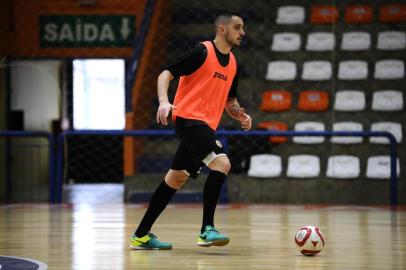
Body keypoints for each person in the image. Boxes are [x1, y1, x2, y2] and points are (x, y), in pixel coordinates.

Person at [130, 10, 252, 250]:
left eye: (243, 28)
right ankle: (207, 230)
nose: (242, 32)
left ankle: (141, 235)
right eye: (237, 27)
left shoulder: (234, 64)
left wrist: (241, 115)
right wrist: (164, 102)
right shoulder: (202, 52)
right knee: (222, 163)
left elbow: (230, 102)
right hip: (189, 120)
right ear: (222, 29)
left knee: (175, 178)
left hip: (204, 125)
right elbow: (166, 73)